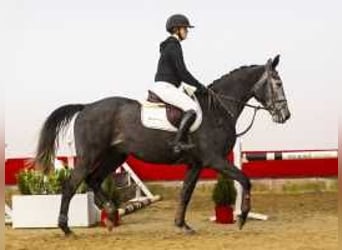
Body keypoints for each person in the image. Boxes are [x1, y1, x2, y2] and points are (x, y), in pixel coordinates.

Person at [151, 14, 207, 153]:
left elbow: (179, 75)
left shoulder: (169, 45)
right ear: (176, 29)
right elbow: (183, 72)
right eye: (185, 29)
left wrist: (192, 89)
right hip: (165, 86)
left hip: (166, 85)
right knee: (192, 108)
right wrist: (201, 87)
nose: (187, 31)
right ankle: (178, 142)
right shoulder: (173, 45)